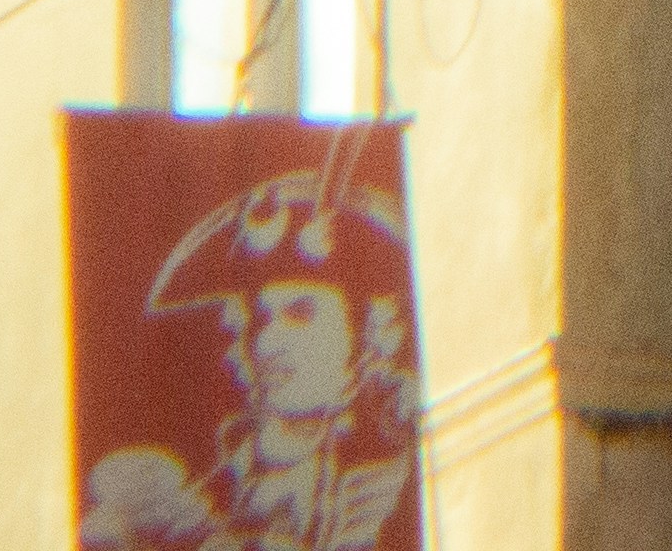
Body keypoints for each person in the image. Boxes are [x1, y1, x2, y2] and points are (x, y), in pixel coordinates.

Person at [78, 161, 419, 551]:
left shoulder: (392, 487)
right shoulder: (199, 489)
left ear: (368, 336)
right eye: (260, 319)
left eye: (300, 313)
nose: (267, 344)